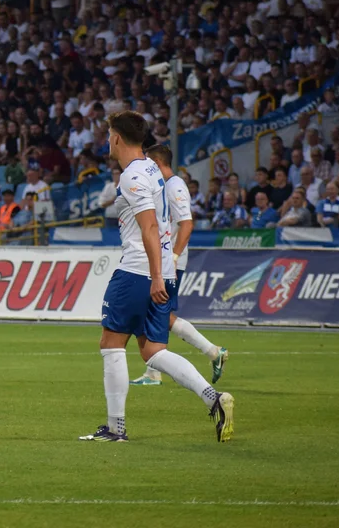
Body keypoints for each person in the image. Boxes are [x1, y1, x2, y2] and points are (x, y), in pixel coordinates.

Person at [80, 111, 233, 443]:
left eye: (109, 134)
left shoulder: (132, 175)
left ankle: (115, 428)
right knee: (152, 350)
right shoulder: (153, 169)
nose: (107, 140)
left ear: (117, 138)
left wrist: (154, 278)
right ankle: (214, 398)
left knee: (110, 343)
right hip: (162, 266)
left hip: (139, 269)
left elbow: (149, 227)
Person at [130, 145, 228, 387]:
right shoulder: (164, 186)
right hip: (164, 260)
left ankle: (213, 352)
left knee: (160, 315)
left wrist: (173, 257)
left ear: (156, 162)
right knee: (155, 314)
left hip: (170, 262)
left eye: (148, 163)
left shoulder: (174, 186)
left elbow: (186, 224)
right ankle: (159, 369)